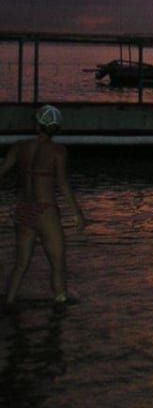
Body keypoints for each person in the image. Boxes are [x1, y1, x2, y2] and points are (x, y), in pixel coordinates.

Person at [0, 104, 86, 306]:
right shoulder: (58, 151)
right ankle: (60, 304)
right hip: (45, 211)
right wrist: (77, 213)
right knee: (57, 263)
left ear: (37, 125)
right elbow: (63, 184)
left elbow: (2, 171)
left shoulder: (19, 147)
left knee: (21, 264)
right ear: (56, 128)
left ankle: (8, 304)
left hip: (24, 209)